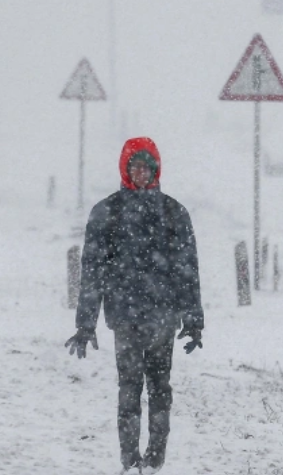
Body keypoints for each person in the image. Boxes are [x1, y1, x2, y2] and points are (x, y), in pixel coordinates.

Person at [64, 137, 204, 474]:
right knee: (129, 387)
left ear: (156, 170)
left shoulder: (174, 212)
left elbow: (187, 268)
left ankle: (155, 460)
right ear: (126, 169)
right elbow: (92, 271)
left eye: (148, 167)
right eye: (136, 167)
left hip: (163, 320)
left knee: (160, 388)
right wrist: (86, 324)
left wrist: (193, 318)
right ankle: (130, 460)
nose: (142, 173)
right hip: (125, 318)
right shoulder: (107, 212)